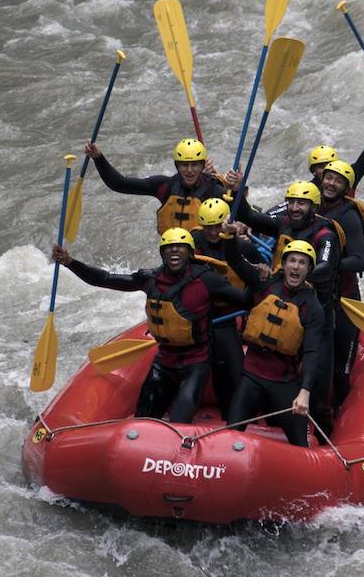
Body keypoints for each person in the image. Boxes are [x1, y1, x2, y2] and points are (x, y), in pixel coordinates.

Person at [51, 227, 249, 424]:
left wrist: (263, 279)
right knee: (142, 422)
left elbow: (245, 300)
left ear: (190, 253)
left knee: (179, 422)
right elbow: (105, 279)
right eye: (169, 248)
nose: (174, 251)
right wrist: (70, 263)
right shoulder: (149, 279)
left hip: (196, 363)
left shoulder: (207, 280)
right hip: (163, 362)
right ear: (162, 254)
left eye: (180, 247)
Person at [231, 180, 342, 437]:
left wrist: (300, 275)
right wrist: (237, 191)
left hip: (314, 313)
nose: (294, 207)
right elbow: (247, 216)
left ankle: (326, 438)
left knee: (319, 383)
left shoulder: (325, 235)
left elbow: (325, 267)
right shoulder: (284, 224)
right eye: (291, 202)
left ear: (312, 207)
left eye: (301, 203)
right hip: (281, 300)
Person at [222, 231, 324, 447]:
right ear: (284, 264)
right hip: (252, 376)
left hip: (284, 382)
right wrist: (230, 238)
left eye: (302, 263)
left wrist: (304, 392)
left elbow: (312, 352)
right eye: (292, 261)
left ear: (309, 269)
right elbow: (235, 261)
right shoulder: (264, 283)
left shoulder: (313, 308)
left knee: (300, 445)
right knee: (230, 436)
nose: (296, 267)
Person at [190, 198, 264, 419]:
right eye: (208, 227)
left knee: (233, 370)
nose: (213, 232)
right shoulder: (192, 241)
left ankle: (234, 417)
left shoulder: (243, 247)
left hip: (226, 315)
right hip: (198, 316)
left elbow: (260, 277)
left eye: (218, 226)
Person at [266, 98, 364, 217]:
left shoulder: (349, 176)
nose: (327, 169)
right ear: (313, 171)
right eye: (321, 167)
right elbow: (283, 208)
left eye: (330, 164)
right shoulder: (308, 189)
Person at [86, 138, 230, 235]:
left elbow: (240, 210)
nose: (190, 170)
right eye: (184, 165)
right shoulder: (165, 186)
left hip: (206, 259)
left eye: (195, 165)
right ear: (177, 166)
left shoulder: (213, 190)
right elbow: (119, 184)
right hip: (175, 258)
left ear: (202, 166)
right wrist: (98, 158)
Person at [317, 160, 364, 409]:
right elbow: (270, 218)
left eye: (337, 180)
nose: (331, 183)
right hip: (316, 298)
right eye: (328, 178)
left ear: (346, 187)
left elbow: (359, 260)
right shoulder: (308, 204)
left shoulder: (349, 216)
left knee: (340, 371)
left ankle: (338, 420)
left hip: (343, 302)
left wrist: (328, 264)